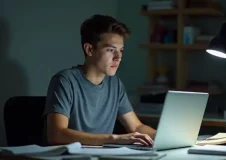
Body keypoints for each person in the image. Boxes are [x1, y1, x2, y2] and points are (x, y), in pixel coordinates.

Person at [43, 14, 156, 146]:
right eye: (111, 50)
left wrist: (168, 137)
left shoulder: (115, 84)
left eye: (121, 50)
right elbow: (56, 134)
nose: (118, 57)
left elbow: (136, 127)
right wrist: (114, 139)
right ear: (89, 49)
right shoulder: (65, 81)